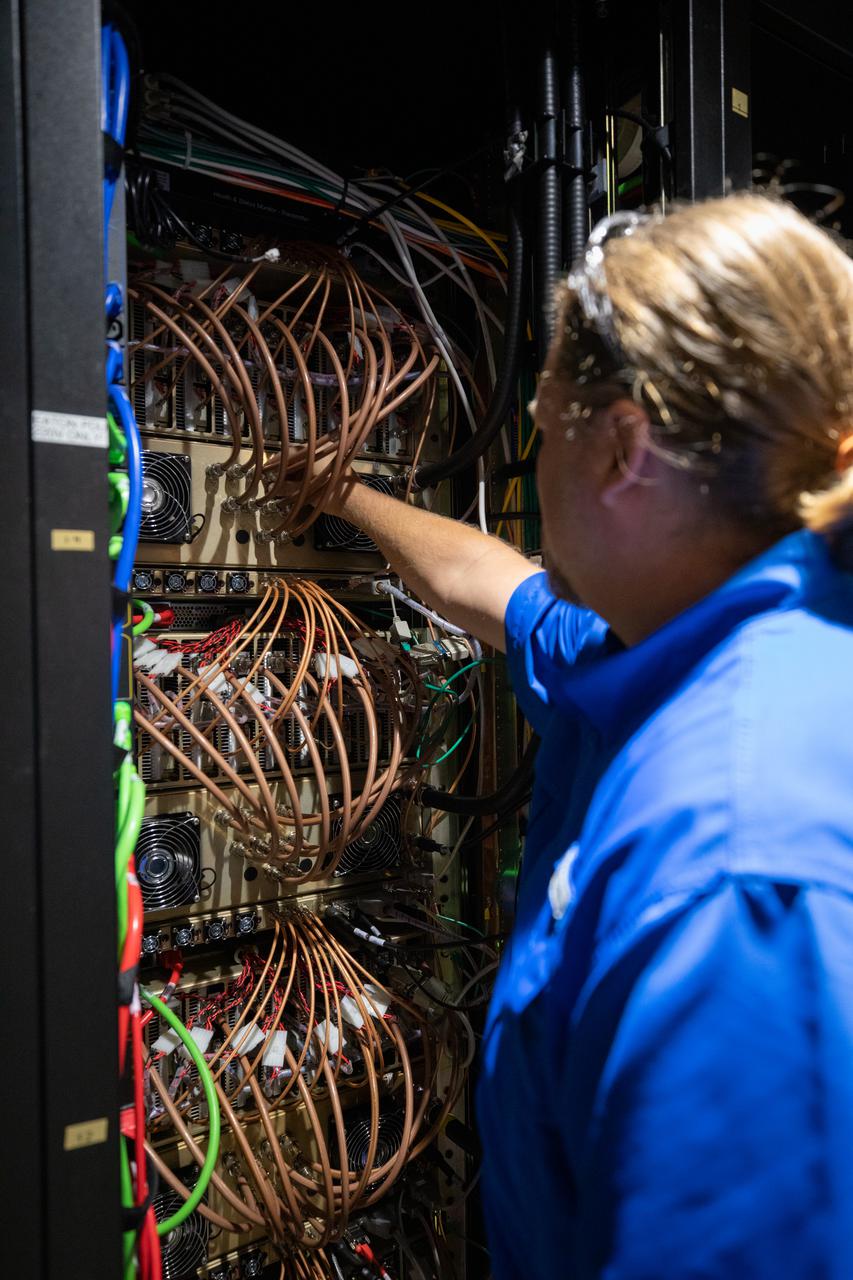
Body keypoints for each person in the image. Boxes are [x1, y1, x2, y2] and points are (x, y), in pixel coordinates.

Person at [322, 194, 853, 1278]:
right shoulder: (669, 647)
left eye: (541, 416)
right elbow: (487, 581)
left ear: (620, 445)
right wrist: (339, 493)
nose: (533, 451)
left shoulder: (734, 866)